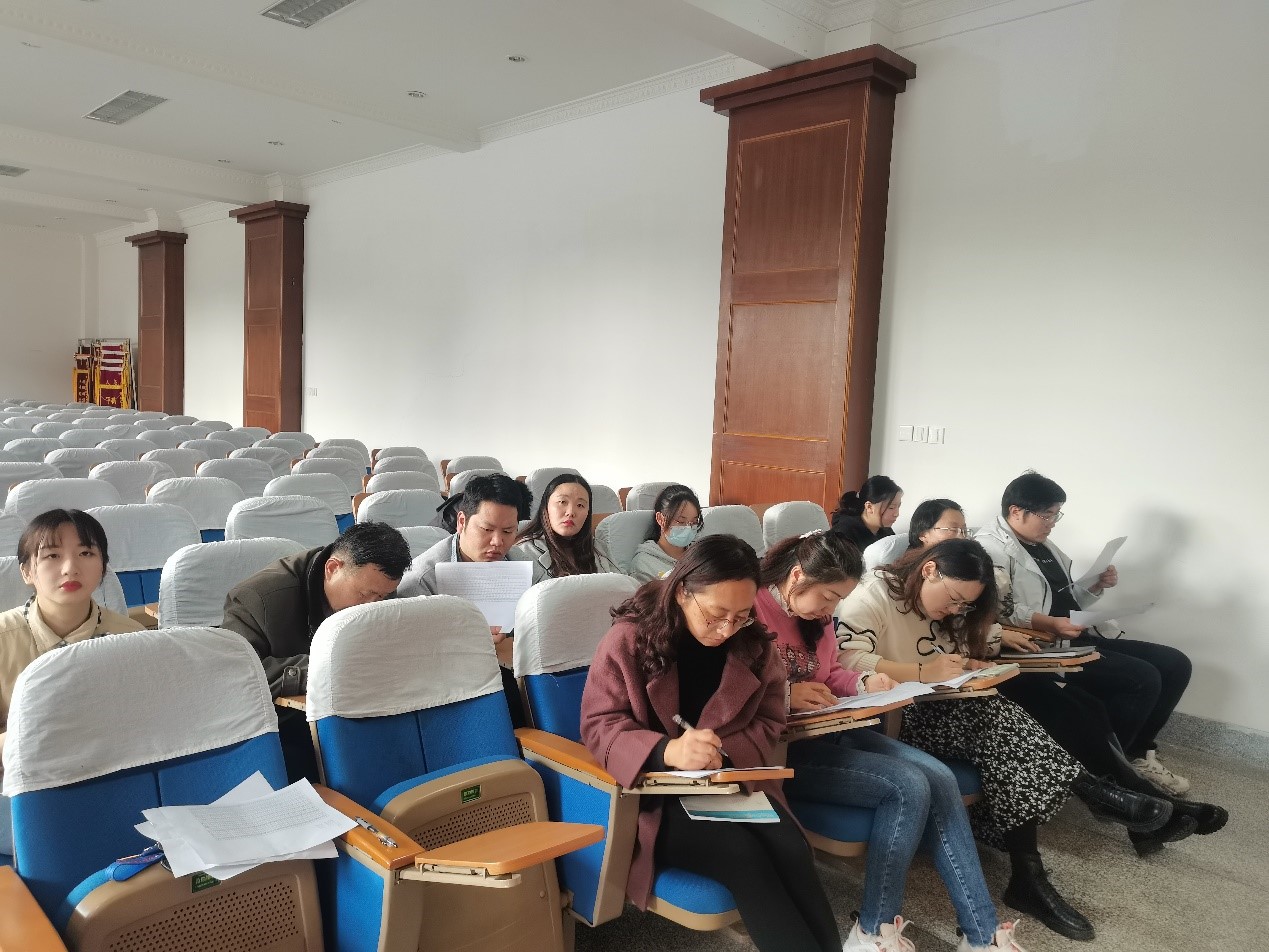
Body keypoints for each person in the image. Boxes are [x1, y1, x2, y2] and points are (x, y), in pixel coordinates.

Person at [836, 539, 1175, 942]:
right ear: (929, 570)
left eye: (965, 605)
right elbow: (846, 660)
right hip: (893, 716)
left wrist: (970, 661)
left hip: (946, 709)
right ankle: (1087, 795)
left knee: (1008, 732)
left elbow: (959, 648)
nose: (956, 609)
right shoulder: (874, 594)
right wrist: (921, 672)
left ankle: (1034, 866)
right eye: (954, 599)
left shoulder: (953, 607)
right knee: (1000, 723)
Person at [757, 531, 1028, 952]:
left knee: (940, 776)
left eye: (837, 601)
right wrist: (788, 695)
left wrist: (864, 682)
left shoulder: (816, 617)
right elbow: (730, 690)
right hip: (781, 749)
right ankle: (872, 930)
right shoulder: (750, 608)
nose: (830, 612)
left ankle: (982, 934)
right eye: (828, 598)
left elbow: (831, 672)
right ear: (796, 576)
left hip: (831, 729)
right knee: (907, 785)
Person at [914, 499, 1220, 855]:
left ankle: (1136, 805)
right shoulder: (922, 578)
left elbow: (974, 622)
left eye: (963, 528)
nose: (961, 535)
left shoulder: (974, 569)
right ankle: (1140, 805)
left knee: (1086, 707)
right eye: (950, 529)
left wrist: (997, 635)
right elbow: (939, 634)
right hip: (958, 682)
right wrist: (996, 637)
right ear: (923, 536)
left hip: (985, 664)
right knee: (1064, 709)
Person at [581, 534, 841, 952]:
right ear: (683, 592)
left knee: (791, 845)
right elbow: (599, 724)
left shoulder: (753, 644)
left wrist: (722, 752)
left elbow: (769, 719)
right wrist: (667, 751)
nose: (726, 629)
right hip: (657, 798)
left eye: (741, 616)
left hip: (727, 785)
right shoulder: (630, 639)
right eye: (717, 614)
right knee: (741, 854)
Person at [974, 473, 1200, 798]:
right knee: (1142, 678)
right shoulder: (990, 548)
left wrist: (1094, 585)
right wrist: (1050, 624)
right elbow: (1000, 609)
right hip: (1038, 644)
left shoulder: (1043, 546)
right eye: (1047, 515)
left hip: (1071, 632)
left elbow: (1065, 598)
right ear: (1016, 511)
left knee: (1176, 664)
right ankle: (1107, 772)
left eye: (1056, 515)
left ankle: (1135, 754)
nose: (1052, 523)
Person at [0, 509, 145, 857]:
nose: (70, 568)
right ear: (27, 571)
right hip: (18, 790)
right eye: (52, 556)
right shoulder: (2, 639)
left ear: (103, 566)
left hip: (109, 780)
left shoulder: (133, 639)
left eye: (86, 553)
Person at [220, 521, 411, 781]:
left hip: (362, 712)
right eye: (365, 594)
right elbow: (236, 675)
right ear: (332, 569)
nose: (372, 605)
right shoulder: (256, 600)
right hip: (286, 731)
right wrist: (325, 668)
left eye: (382, 597)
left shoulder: (380, 587)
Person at [397, 472, 531, 725]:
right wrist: (468, 640)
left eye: (508, 531)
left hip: (507, 673)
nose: (497, 542)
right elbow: (409, 657)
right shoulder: (422, 580)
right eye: (487, 529)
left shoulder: (520, 563)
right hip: (443, 688)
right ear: (461, 522)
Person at [510, 472, 619, 583]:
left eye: (580, 505)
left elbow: (623, 585)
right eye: (562, 502)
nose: (570, 512)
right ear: (546, 507)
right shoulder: (523, 552)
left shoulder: (599, 548)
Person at [861, 497, 966, 571]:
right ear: (923, 534)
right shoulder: (900, 576)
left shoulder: (965, 564)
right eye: (953, 529)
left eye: (963, 530)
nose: (962, 537)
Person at [628, 484, 703, 583]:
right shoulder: (644, 564)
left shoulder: (699, 555)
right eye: (680, 521)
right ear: (660, 519)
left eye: (694, 522)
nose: (688, 528)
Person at [831, 475, 903, 554]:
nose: (897, 514)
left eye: (898, 506)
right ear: (869, 507)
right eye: (891, 507)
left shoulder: (887, 532)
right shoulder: (843, 534)